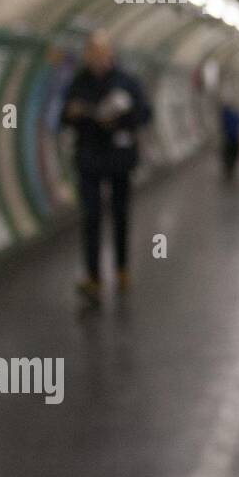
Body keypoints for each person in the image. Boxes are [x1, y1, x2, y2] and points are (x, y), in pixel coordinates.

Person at [59, 31, 151, 303]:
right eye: (92, 52)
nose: (96, 57)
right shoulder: (78, 83)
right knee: (91, 217)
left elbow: (146, 113)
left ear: (110, 53)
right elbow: (64, 117)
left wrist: (123, 116)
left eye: (101, 52)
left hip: (119, 157)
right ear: (87, 55)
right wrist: (74, 113)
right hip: (89, 157)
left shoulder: (127, 81)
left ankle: (122, 268)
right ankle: (93, 275)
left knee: (120, 214)